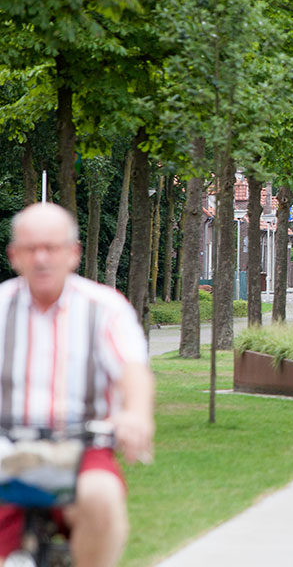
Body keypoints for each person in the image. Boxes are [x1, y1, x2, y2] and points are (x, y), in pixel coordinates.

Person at [0, 202, 155, 567]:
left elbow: (132, 370)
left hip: (81, 449)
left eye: (52, 248)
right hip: (7, 449)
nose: (41, 259)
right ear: (14, 256)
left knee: (101, 496)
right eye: (30, 248)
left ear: (73, 254)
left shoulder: (104, 307)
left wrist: (136, 415)